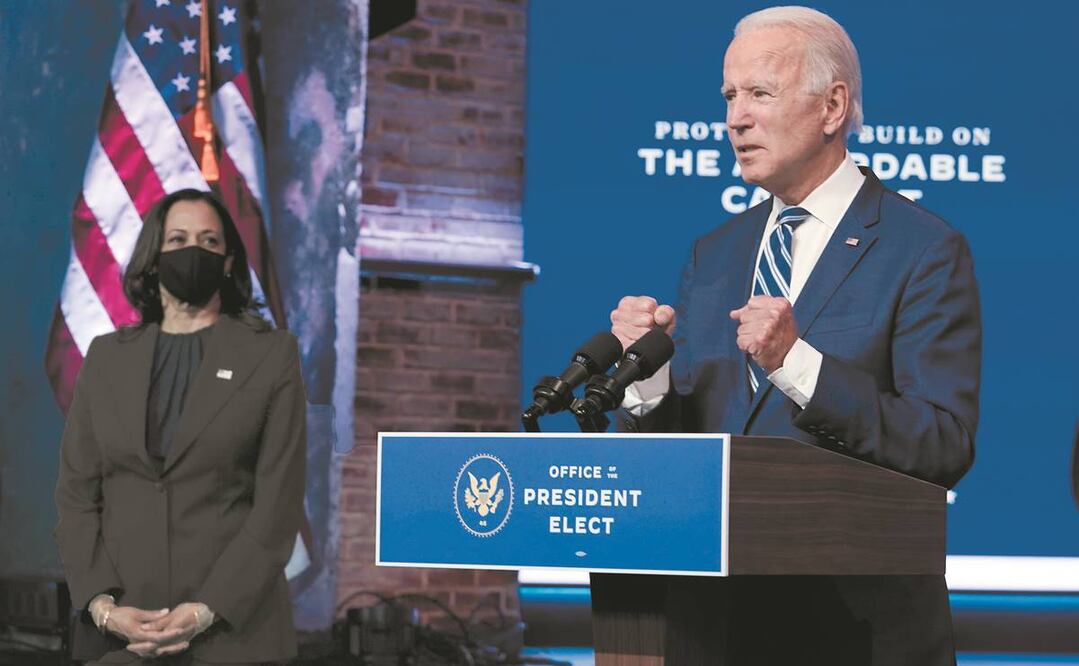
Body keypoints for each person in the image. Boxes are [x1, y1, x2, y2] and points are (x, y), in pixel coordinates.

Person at [606, 6, 980, 665]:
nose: (734, 118)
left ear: (832, 106)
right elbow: (692, 451)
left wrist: (796, 364)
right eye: (727, 95)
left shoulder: (923, 249)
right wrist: (648, 383)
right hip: (712, 630)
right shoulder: (713, 254)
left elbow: (941, 443)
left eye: (759, 93)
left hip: (855, 631)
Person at [54, 188, 306, 664]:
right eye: (178, 239)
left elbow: (278, 506)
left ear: (229, 261)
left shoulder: (272, 356)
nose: (194, 251)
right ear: (153, 256)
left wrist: (207, 610)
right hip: (121, 635)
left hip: (232, 635)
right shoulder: (107, 358)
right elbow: (77, 496)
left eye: (210, 241)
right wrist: (104, 607)